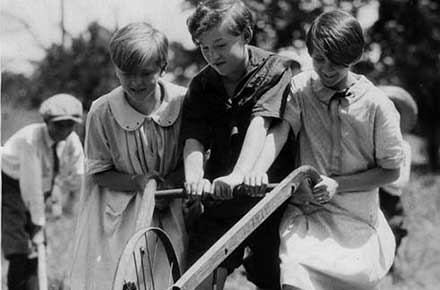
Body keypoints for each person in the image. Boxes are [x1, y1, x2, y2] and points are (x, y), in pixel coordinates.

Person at [244, 10, 405, 290]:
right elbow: (280, 131)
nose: (327, 69)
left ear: (354, 57)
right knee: (294, 276)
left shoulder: (377, 105)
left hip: (356, 222)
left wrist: (337, 184)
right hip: (307, 216)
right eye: (319, 59)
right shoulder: (302, 88)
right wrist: (257, 170)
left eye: (337, 62)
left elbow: (390, 172)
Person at [182, 1, 295, 289]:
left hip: (268, 198)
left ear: (246, 34)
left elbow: (262, 124)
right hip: (222, 199)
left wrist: (239, 175)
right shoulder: (201, 85)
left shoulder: (274, 70)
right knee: (196, 273)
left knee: (274, 275)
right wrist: (195, 178)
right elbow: (194, 137)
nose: (212, 56)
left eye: (220, 45)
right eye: (204, 48)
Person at [69, 22, 187, 290]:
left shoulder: (183, 101)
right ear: (116, 70)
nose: (135, 83)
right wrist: (138, 181)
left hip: (172, 206)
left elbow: (197, 155)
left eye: (146, 73)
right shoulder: (102, 111)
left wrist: (171, 184)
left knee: (169, 277)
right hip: (121, 212)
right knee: (124, 278)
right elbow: (99, 173)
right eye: (126, 74)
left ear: (163, 68)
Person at [1, 93, 84, 290]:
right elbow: (32, 187)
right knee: (20, 247)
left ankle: (34, 286)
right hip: (10, 185)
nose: (64, 130)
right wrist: (38, 225)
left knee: (38, 250)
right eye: (58, 125)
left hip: (38, 189)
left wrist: (60, 195)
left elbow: (78, 172)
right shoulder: (31, 140)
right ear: (47, 122)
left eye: (69, 125)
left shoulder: (71, 140)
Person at [378, 85, 418, 276]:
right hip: (373, 197)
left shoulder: (404, 146)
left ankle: (390, 271)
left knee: (394, 230)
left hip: (391, 201)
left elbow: (401, 181)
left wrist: (378, 176)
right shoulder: (373, 144)